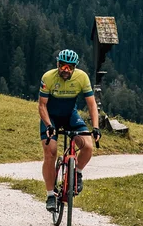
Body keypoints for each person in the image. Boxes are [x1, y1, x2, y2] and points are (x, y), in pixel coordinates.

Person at [38, 48, 101, 212]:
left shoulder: (82, 77)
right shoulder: (48, 77)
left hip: (69, 116)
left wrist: (95, 127)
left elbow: (92, 104)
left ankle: (77, 173)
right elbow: (42, 105)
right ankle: (51, 195)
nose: (66, 70)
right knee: (50, 152)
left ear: (75, 67)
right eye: (63, 66)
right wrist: (49, 125)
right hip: (50, 117)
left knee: (87, 146)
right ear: (58, 65)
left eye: (70, 67)